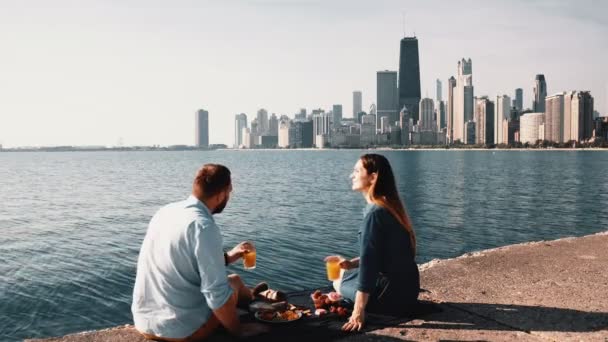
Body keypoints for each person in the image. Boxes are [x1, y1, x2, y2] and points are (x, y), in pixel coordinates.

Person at [132, 164, 268, 341]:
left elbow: (181, 260)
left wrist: (228, 257)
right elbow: (216, 294)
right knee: (233, 282)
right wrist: (239, 331)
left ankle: (253, 295)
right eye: (229, 192)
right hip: (182, 331)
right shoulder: (204, 226)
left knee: (233, 282)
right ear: (222, 193)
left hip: (144, 323)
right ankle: (255, 299)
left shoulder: (165, 212)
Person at [326, 154, 420, 332]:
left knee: (337, 280)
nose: (351, 175)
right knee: (346, 271)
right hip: (408, 290)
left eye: (357, 171)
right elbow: (382, 253)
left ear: (373, 177)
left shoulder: (375, 213)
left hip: (390, 298)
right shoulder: (390, 206)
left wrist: (358, 311)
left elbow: (369, 265)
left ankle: (357, 297)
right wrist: (352, 263)